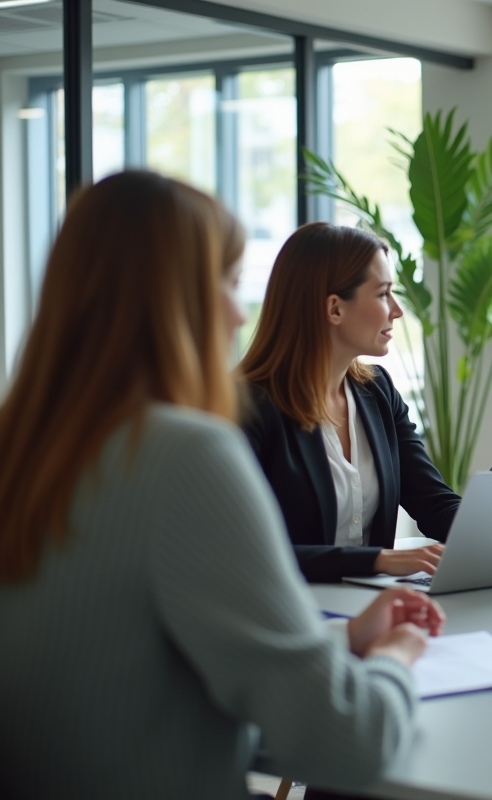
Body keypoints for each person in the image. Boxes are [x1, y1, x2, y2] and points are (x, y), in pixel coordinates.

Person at [0, 171, 444, 799]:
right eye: (230, 284)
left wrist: (341, 637)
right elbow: (348, 740)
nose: (240, 311)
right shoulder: (186, 454)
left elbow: (140, 670)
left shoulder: (24, 449)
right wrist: (396, 655)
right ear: (170, 301)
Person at [239, 223, 459, 583]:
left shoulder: (377, 391)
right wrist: (377, 561)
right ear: (334, 309)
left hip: (372, 607)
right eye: (384, 294)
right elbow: (246, 550)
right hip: (289, 612)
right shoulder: (249, 406)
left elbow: (434, 503)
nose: (397, 310)